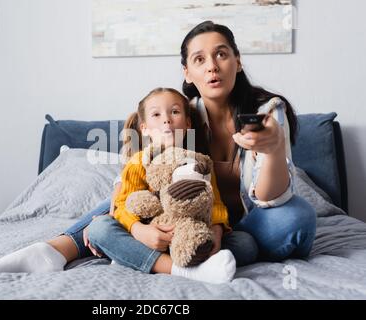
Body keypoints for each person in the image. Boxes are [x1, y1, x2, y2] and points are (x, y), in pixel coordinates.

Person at [87, 21, 317, 271]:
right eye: (199, 59)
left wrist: (273, 150)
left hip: (244, 223)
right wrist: (123, 198)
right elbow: (143, 165)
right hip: (185, 217)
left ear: (237, 61)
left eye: (221, 54)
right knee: (113, 208)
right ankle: (64, 245)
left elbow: (268, 197)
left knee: (297, 215)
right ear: (187, 72)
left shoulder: (268, 112)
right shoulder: (183, 114)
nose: (212, 66)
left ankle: (181, 254)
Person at [86, 87, 236, 285]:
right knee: (99, 229)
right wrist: (140, 230)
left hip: (190, 233)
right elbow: (123, 205)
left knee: (245, 244)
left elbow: (214, 202)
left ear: (188, 123)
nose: (167, 120)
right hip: (148, 238)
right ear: (144, 128)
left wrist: (216, 231)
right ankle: (180, 270)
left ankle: (134, 258)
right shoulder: (139, 162)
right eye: (156, 114)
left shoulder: (200, 162)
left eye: (175, 112)